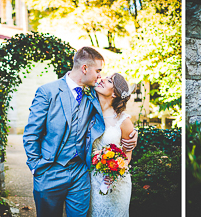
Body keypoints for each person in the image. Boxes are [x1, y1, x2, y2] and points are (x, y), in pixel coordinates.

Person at [23, 47, 137, 217]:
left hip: (80, 175)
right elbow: (32, 134)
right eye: (98, 71)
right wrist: (36, 167)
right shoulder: (48, 92)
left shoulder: (93, 96)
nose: (100, 76)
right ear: (84, 69)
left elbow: (114, 117)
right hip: (49, 172)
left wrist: (133, 138)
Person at [88, 73, 136, 217]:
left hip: (115, 182)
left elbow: (127, 155)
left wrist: (113, 172)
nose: (102, 79)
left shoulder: (123, 120)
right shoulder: (88, 110)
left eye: (108, 81)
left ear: (115, 93)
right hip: (92, 179)